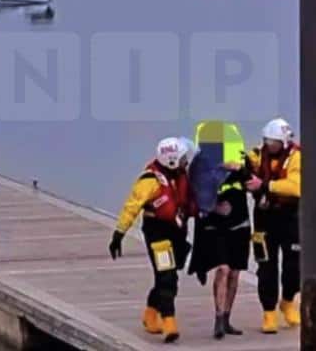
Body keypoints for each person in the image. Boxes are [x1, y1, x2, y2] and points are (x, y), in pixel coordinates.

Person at [108, 138, 195, 343]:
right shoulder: (149, 181)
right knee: (167, 277)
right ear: (172, 160)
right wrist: (119, 234)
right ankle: (169, 323)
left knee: (170, 275)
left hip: (177, 232)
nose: (186, 161)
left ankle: (150, 312)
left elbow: (190, 200)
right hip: (157, 233)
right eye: (183, 158)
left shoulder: (181, 176)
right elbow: (132, 206)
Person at [244, 118, 302, 333]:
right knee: (266, 266)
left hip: (290, 217)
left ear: (284, 142)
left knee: (294, 265)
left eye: (274, 142)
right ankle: (269, 312)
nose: (270, 145)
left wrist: (265, 185)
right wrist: (240, 167)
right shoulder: (258, 155)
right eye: (267, 141)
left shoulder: (296, 157)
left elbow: (296, 187)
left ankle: (288, 300)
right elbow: (244, 164)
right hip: (264, 217)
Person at [187, 148, 251, 339]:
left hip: (239, 226)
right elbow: (195, 196)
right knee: (223, 269)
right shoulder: (202, 167)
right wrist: (214, 207)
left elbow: (254, 183)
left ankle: (227, 318)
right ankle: (219, 319)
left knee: (234, 273)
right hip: (216, 228)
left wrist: (239, 169)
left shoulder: (240, 163)